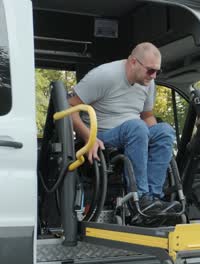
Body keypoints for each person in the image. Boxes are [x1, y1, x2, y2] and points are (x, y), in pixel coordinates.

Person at [68, 42, 177, 215]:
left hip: (135, 132)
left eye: (158, 71)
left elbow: (147, 116)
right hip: (103, 135)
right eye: (150, 70)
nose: (154, 76)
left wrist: (152, 143)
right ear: (133, 62)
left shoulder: (148, 82)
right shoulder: (104, 76)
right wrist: (89, 139)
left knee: (165, 131)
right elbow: (69, 108)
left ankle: (153, 198)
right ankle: (139, 198)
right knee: (137, 128)